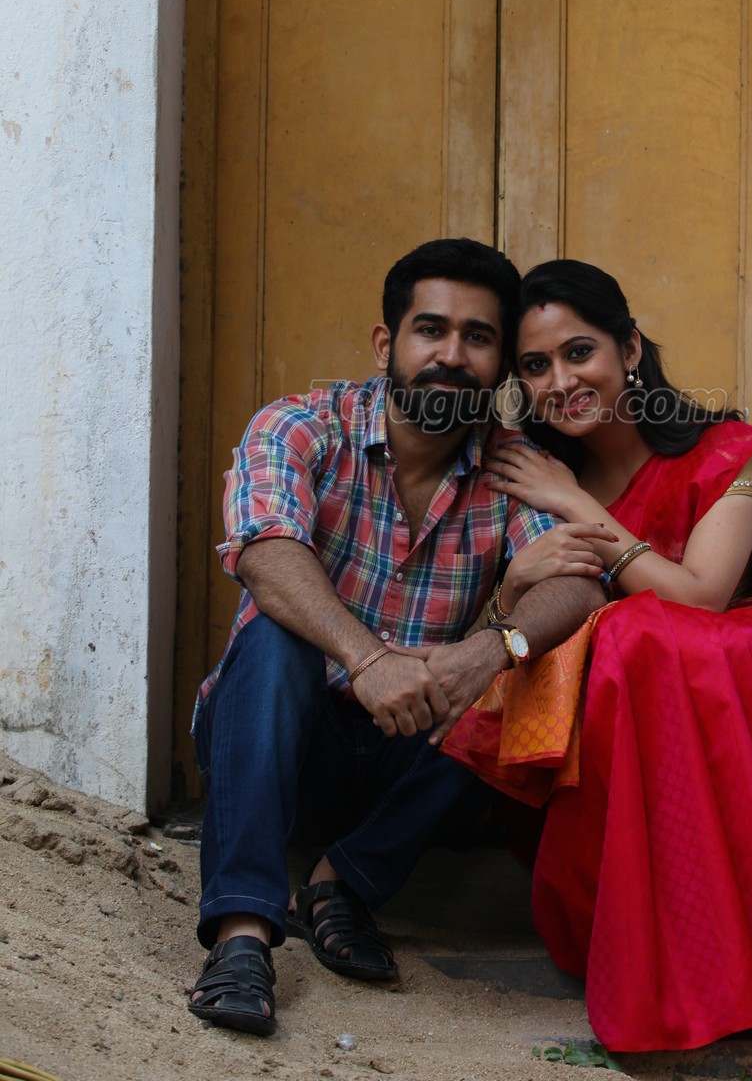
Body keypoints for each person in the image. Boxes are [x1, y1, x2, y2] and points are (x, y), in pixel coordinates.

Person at [187, 239, 610, 1038]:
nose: (451, 356)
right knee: (277, 639)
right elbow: (267, 552)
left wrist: (489, 650)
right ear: (388, 344)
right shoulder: (302, 426)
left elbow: (579, 584)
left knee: (527, 662)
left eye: (478, 338)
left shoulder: (513, 465)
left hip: (410, 748)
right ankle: (243, 936)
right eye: (431, 330)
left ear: (499, 365)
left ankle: (340, 884)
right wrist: (367, 658)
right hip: (284, 738)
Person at [453, 259, 752, 1053]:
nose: (561, 381)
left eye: (580, 352)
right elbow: (510, 624)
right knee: (618, 643)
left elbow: (701, 597)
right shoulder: (531, 475)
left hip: (713, 705)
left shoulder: (724, 453)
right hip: (592, 732)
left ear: (631, 349)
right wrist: (515, 583)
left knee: (641, 636)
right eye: (535, 366)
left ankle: (718, 968)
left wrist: (576, 506)